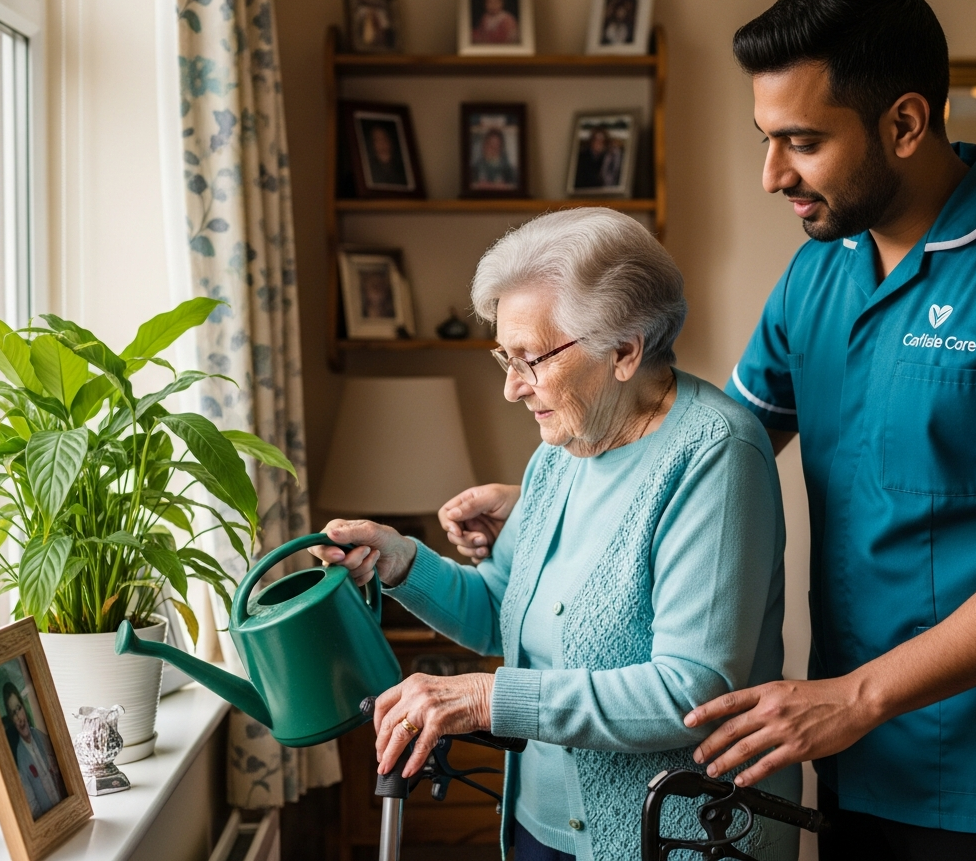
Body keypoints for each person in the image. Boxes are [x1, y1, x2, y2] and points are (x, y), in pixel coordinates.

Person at [438, 0, 976, 860]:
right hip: (844, 756)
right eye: (767, 138)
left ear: (906, 123)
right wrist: (555, 504)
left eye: (802, 142)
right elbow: (705, 456)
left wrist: (858, 696)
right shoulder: (819, 274)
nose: (773, 175)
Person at [311, 208, 800, 861]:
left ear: (625, 349)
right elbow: (498, 616)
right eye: (504, 357)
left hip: (673, 835)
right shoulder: (562, 451)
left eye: (531, 359)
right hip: (539, 827)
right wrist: (401, 562)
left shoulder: (715, 455)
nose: (513, 388)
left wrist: (486, 697)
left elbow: (689, 689)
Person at [3, 683, 66, 820]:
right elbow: (33, 808)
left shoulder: (41, 736)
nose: (19, 717)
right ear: (12, 720)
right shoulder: (20, 759)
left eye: (19, 709)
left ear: (24, 708)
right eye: (13, 713)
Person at [364, 122, 407, 187]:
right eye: (377, 140)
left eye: (384, 138)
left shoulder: (403, 170)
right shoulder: (369, 171)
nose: (382, 144)